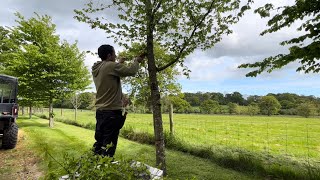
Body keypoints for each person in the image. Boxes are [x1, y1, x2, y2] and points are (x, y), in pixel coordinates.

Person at [92, 44, 145, 157]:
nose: (116, 56)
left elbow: (109, 72)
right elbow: (131, 71)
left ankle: (93, 170)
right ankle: (105, 170)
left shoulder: (97, 68)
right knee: (108, 147)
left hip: (100, 112)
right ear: (109, 55)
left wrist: (119, 63)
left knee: (100, 143)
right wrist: (137, 61)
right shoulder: (111, 66)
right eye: (114, 53)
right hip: (111, 113)